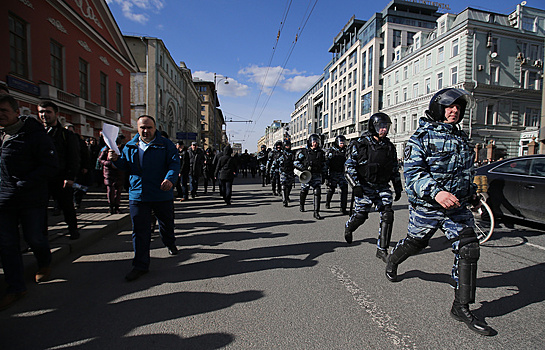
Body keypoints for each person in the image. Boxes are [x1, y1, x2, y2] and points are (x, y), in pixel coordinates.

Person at [385, 88, 494, 336]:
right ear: (438, 107)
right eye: (449, 106)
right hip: (428, 206)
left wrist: (473, 196)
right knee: (416, 243)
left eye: (458, 107)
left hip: (456, 207)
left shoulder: (461, 138)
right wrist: (436, 193)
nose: (454, 110)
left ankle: (461, 306)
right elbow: (414, 176)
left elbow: (466, 173)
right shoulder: (420, 138)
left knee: (469, 248)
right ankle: (394, 259)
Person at [0, 95, 59, 310]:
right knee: (7, 245)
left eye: (4, 110)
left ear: (17, 112)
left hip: (30, 198)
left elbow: (50, 165)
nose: (0, 114)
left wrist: (26, 182)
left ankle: (44, 263)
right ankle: (15, 287)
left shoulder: (33, 135)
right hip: (3, 200)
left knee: (34, 237)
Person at [108, 115, 180, 281]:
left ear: (155, 128)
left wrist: (169, 179)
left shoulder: (165, 144)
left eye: (149, 127)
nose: (146, 131)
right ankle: (140, 265)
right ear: (137, 129)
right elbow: (125, 166)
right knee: (140, 231)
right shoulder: (130, 146)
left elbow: (174, 163)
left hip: (161, 193)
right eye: (142, 128)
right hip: (138, 194)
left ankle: (169, 242)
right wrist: (116, 160)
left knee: (166, 224)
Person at [344, 113, 403, 262]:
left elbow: (394, 168)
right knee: (361, 215)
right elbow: (348, 167)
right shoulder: (360, 144)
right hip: (365, 186)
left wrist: (397, 186)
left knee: (388, 214)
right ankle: (349, 227)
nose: (384, 130)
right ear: (373, 127)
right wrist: (355, 185)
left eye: (386, 127)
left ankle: (382, 249)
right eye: (380, 127)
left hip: (382, 186)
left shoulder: (389, 147)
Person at [38, 101, 81, 240]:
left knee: (67, 206)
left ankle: (73, 230)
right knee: (40, 208)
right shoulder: (37, 134)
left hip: (61, 177)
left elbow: (74, 157)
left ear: (56, 114)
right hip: (42, 178)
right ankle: (42, 235)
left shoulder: (66, 135)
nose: (44, 115)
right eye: (41, 112)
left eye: (48, 112)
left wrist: (70, 176)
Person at [294, 134, 327, 220]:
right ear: (310, 142)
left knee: (317, 191)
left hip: (316, 175)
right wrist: (304, 168)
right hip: (306, 175)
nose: (315, 143)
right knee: (304, 190)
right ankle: (302, 205)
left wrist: (324, 175)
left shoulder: (321, 153)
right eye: (313, 141)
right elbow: (296, 162)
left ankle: (316, 212)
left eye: (316, 141)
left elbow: (324, 165)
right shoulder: (304, 152)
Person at [98, 136, 125, 214]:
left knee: (118, 191)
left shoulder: (122, 150)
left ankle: (117, 206)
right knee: (110, 190)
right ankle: (111, 206)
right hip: (109, 173)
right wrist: (109, 163)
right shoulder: (106, 150)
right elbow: (100, 160)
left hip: (119, 173)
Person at [325, 135, 349, 215]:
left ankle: (343, 208)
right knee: (331, 189)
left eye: (343, 143)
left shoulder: (347, 151)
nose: (342, 144)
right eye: (340, 143)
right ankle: (327, 202)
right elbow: (326, 163)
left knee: (344, 190)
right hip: (333, 173)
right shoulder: (331, 151)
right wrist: (326, 175)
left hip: (343, 173)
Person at [271, 139, 295, 207]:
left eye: (288, 145)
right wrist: (271, 171)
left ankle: (287, 196)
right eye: (286, 145)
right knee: (283, 186)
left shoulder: (293, 154)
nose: (287, 147)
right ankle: (284, 200)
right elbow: (275, 163)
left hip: (291, 172)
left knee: (289, 186)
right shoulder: (281, 154)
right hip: (283, 172)